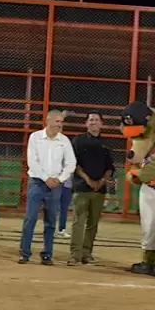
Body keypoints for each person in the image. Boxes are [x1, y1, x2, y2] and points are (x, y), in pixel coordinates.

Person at [19, 109, 75, 265]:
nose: (60, 125)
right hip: (37, 183)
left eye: (61, 122)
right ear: (48, 121)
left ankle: (47, 254)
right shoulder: (35, 138)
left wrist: (60, 179)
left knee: (51, 221)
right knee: (30, 219)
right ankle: (24, 253)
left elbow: (71, 163)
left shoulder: (64, 141)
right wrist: (46, 178)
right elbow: (32, 162)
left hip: (55, 186)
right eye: (57, 121)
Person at [68, 112, 114, 266]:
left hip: (99, 190)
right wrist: (88, 179)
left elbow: (110, 168)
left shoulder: (106, 144)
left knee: (93, 223)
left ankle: (87, 253)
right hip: (81, 188)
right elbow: (73, 163)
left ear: (101, 124)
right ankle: (75, 254)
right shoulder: (78, 141)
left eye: (96, 120)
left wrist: (101, 181)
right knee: (78, 222)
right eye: (91, 120)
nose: (93, 122)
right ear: (86, 123)